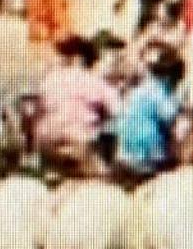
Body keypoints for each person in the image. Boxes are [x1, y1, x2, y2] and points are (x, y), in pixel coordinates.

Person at [35, 34, 122, 176]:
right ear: (80, 58)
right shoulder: (93, 81)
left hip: (46, 146)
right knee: (104, 177)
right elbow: (118, 111)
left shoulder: (48, 80)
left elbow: (37, 111)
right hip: (76, 142)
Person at [114, 48, 185, 179]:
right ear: (172, 76)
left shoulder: (138, 90)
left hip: (124, 154)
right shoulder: (162, 92)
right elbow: (173, 122)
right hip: (149, 158)